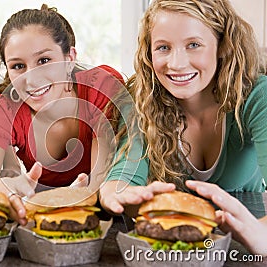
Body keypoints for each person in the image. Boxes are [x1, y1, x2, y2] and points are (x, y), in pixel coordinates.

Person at [99, 0, 267, 256]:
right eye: (163, 47)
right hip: (173, 248)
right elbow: (124, 175)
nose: (176, 63)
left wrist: (262, 236)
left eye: (193, 45)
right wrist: (112, 193)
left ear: (222, 46)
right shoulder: (139, 98)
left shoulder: (257, 96)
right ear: (149, 52)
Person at [0, 4, 124, 225]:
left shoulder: (100, 88)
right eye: (18, 66)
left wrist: (53, 199)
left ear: (69, 59)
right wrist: (9, 188)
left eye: (44, 60)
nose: (31, 79)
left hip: (101, 221)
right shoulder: (2, 107)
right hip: (38, 221)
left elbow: (95, 190)